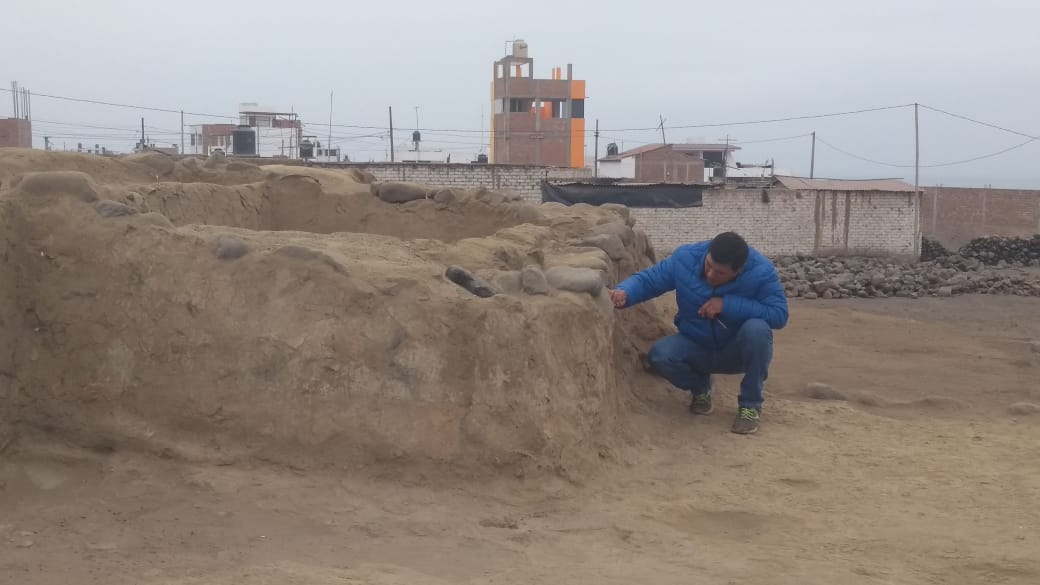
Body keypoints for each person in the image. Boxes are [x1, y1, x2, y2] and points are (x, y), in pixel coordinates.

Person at [608, 232, 788, 435]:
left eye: (720, 273)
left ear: (739, 270)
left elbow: (779, 314)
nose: (710, 275)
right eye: (708, 265)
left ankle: (750, 405)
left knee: (757, 329)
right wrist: (625, 292)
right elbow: (650, 280)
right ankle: (701, 388)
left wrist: (726, 304)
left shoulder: (761, 272)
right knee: (660, 356)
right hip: (696, 344)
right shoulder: (686, 258)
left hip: (736, 350)